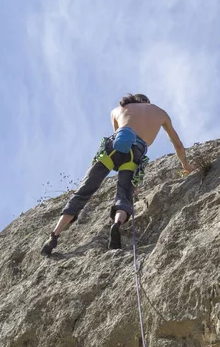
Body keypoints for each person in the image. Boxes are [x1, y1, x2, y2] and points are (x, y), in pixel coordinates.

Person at [40, 93, 195, 256]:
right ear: (148, 102)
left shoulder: (118, 110)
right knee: (124, 195)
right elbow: (177, 144)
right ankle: (117, 224)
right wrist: (185, 165)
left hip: (112, 148)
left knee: (83, 192)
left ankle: (54, 235)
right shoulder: (161, 113)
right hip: (135, 151)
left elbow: (118, 136)